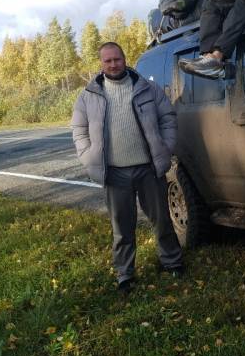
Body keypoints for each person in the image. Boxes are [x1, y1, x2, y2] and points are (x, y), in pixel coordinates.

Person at [71, 41, 183, 294]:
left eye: (117, 59)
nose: (113, 64)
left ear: (124, 59)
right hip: (115, 173)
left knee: (162, 220)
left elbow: (167, 117)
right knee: (122, 228)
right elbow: (78, 129)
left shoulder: (147, 88)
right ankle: (125, 275)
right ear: (101, 64)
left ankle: (172, 262)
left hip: (148, 169)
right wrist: (88, 156)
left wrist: (166, 147)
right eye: (107, 61)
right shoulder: (88, 96)